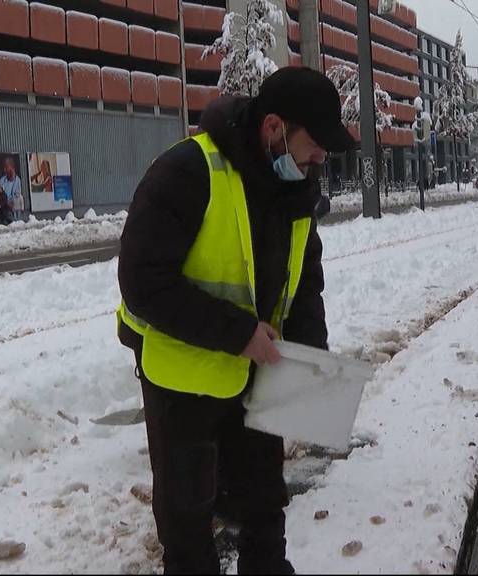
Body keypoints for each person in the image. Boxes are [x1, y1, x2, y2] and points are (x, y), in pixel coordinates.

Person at [117, 67, 353, 574]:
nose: (320, 158)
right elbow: (141, 282)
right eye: (314, 144)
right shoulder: (186, 172)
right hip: (182, 382)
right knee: (188, 524)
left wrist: (310, 364)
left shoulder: (297, 195)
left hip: (255, 379)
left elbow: (304, 287)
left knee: (265, 508)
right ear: (273, 127)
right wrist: (238, 332)